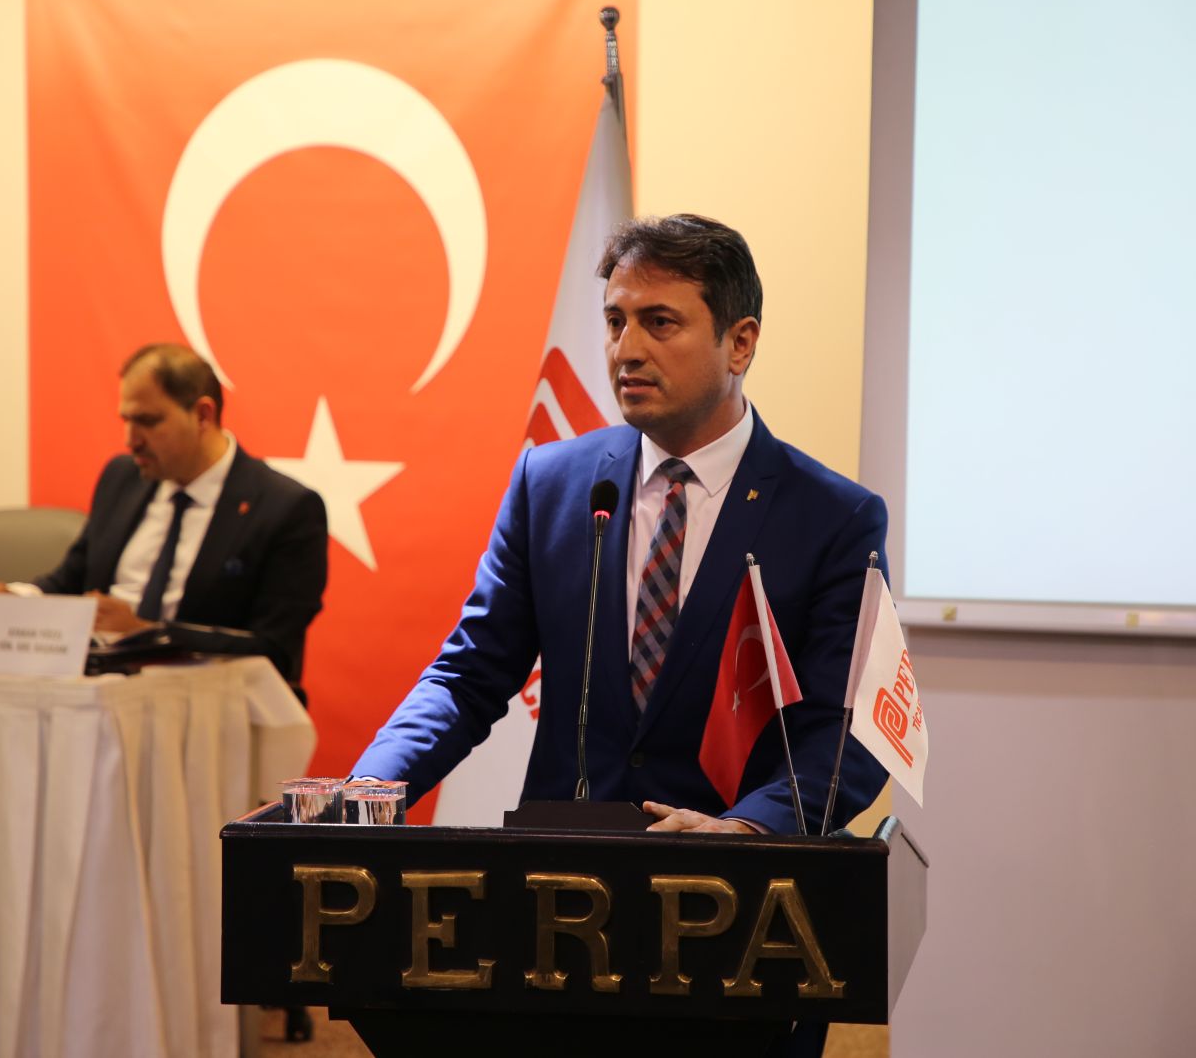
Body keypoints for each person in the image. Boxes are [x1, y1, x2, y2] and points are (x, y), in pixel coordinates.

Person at [353, 214, 887, 835]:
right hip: (561, 869)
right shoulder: (549, 484)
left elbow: (849, 731)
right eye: (615, 322)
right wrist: (366, 791)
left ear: (740, 343)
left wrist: (747, 828)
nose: (626, 350)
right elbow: (468, 677)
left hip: (735, 874)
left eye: (659, 323)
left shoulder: (833, 518)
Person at [0, 343, 328, 697]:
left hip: (212, 705)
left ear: (202, 415)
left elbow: (274, 648)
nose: (131, 440)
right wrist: (18, 600)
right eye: (126, 420)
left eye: (148, 421)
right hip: (100, 695)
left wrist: (148, 634)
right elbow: (70, 581)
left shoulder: (284, 507)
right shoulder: (122, 478)